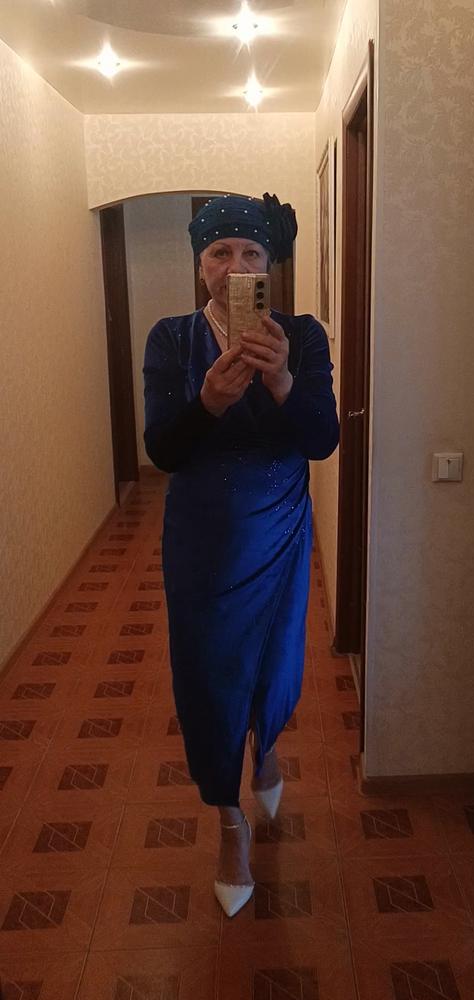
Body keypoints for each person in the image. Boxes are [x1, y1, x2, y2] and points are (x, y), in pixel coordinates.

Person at [143, 193, 339, 917]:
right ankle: (229, 823)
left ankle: (268, 746)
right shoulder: (170, 339)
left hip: (280, 529)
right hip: (201, 538)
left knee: (274, 663)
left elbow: (322, 439)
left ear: (269, 266)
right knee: (206, 676)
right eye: (219, 252)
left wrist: (283, 381)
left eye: (251, 253)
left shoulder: (302, 336)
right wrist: (207, 405)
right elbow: (163, 450)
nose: (234, 266)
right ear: (200, 264)